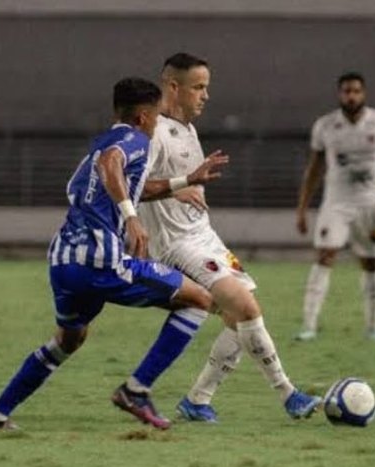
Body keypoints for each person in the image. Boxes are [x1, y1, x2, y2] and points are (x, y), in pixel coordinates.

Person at [0, 77, 225, 430]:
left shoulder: (101, 143)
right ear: (142, 117)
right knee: (199, 300)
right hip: (100, 260)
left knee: (68, 341)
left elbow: (127, 183)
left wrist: (184, 181)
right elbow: (112, 165)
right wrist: (132, 218)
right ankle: (136, 390)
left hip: (64, 260)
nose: (156, 124)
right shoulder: (133, 140)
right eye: (156, 116)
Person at [113, 53, 321, 424]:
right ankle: (288, 394)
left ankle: (198, 399)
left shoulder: (187, 130)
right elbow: (129, 187)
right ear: (173, 87)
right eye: (198, 87)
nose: (206, 95)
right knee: (245, 308)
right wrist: (178, 186)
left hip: (204, 238)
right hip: (176, 245)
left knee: (241, 316)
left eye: (206, 87)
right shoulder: (154, 133)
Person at [295, 72, 375, 341]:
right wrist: (302, 208)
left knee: (371, 262)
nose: (351, 96)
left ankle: (373, 327)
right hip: (336, 204)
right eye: (346, 91)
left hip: (370, 204)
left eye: (356, 91)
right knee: (324, 255)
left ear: (363, 93)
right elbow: (314, 169)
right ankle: (309, 325)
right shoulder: (325, 126)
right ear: (340, 94)